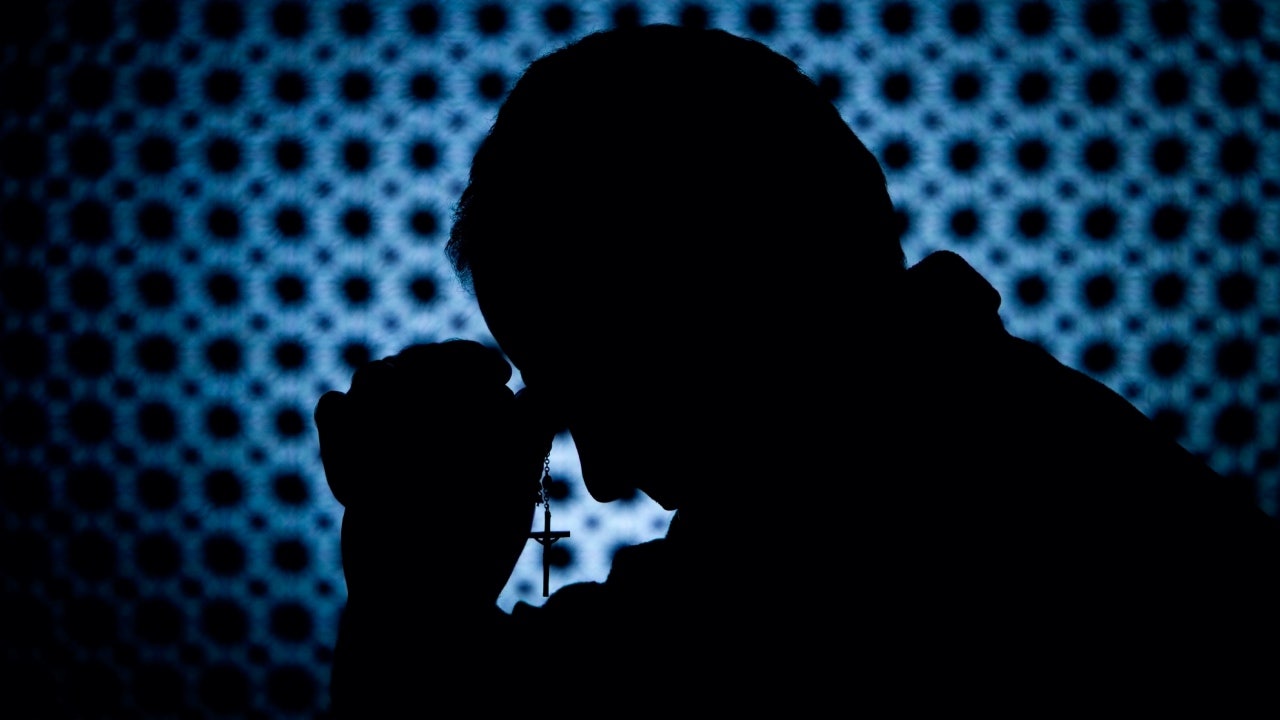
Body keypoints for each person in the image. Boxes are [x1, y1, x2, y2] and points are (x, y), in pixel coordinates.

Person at [314, 24, 1280, 713]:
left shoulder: (822, 557)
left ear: (708, 297)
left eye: (593, 385)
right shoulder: (1029, 440)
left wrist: (409, 580)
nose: (604, 476)